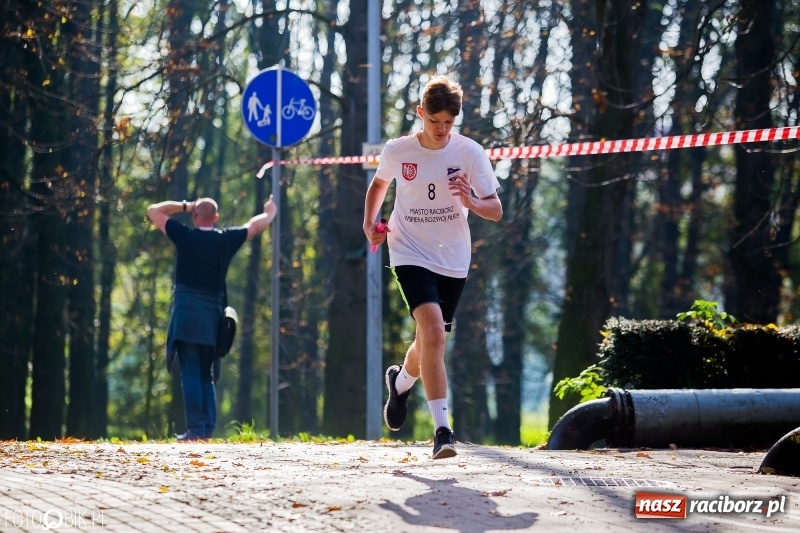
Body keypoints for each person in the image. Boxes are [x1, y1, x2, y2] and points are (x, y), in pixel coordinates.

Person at [363, 75, 503, 459]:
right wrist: (369, 224)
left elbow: (495, 209)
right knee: (434, 335)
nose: (441, 130)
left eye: (449, 124)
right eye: (434, 121)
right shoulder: (399, 150)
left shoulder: (470, 153)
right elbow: (378, 186)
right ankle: (443, 431)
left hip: (453, 258)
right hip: (408, 249)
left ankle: (401, 383)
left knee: (428, 341)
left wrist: (471, 201)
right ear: (420, 113)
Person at [147, 196, 277, 441]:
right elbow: (255, 226)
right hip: (212, 316)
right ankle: (206, 429)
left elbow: (153, 210)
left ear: (195, 216)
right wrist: (270, 213)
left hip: (186, 314)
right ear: (216, 218)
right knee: (206, 372)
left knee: (190, 371)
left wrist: (185, 206)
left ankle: (195, 430)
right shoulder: (225, 240)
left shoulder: (184, 236)